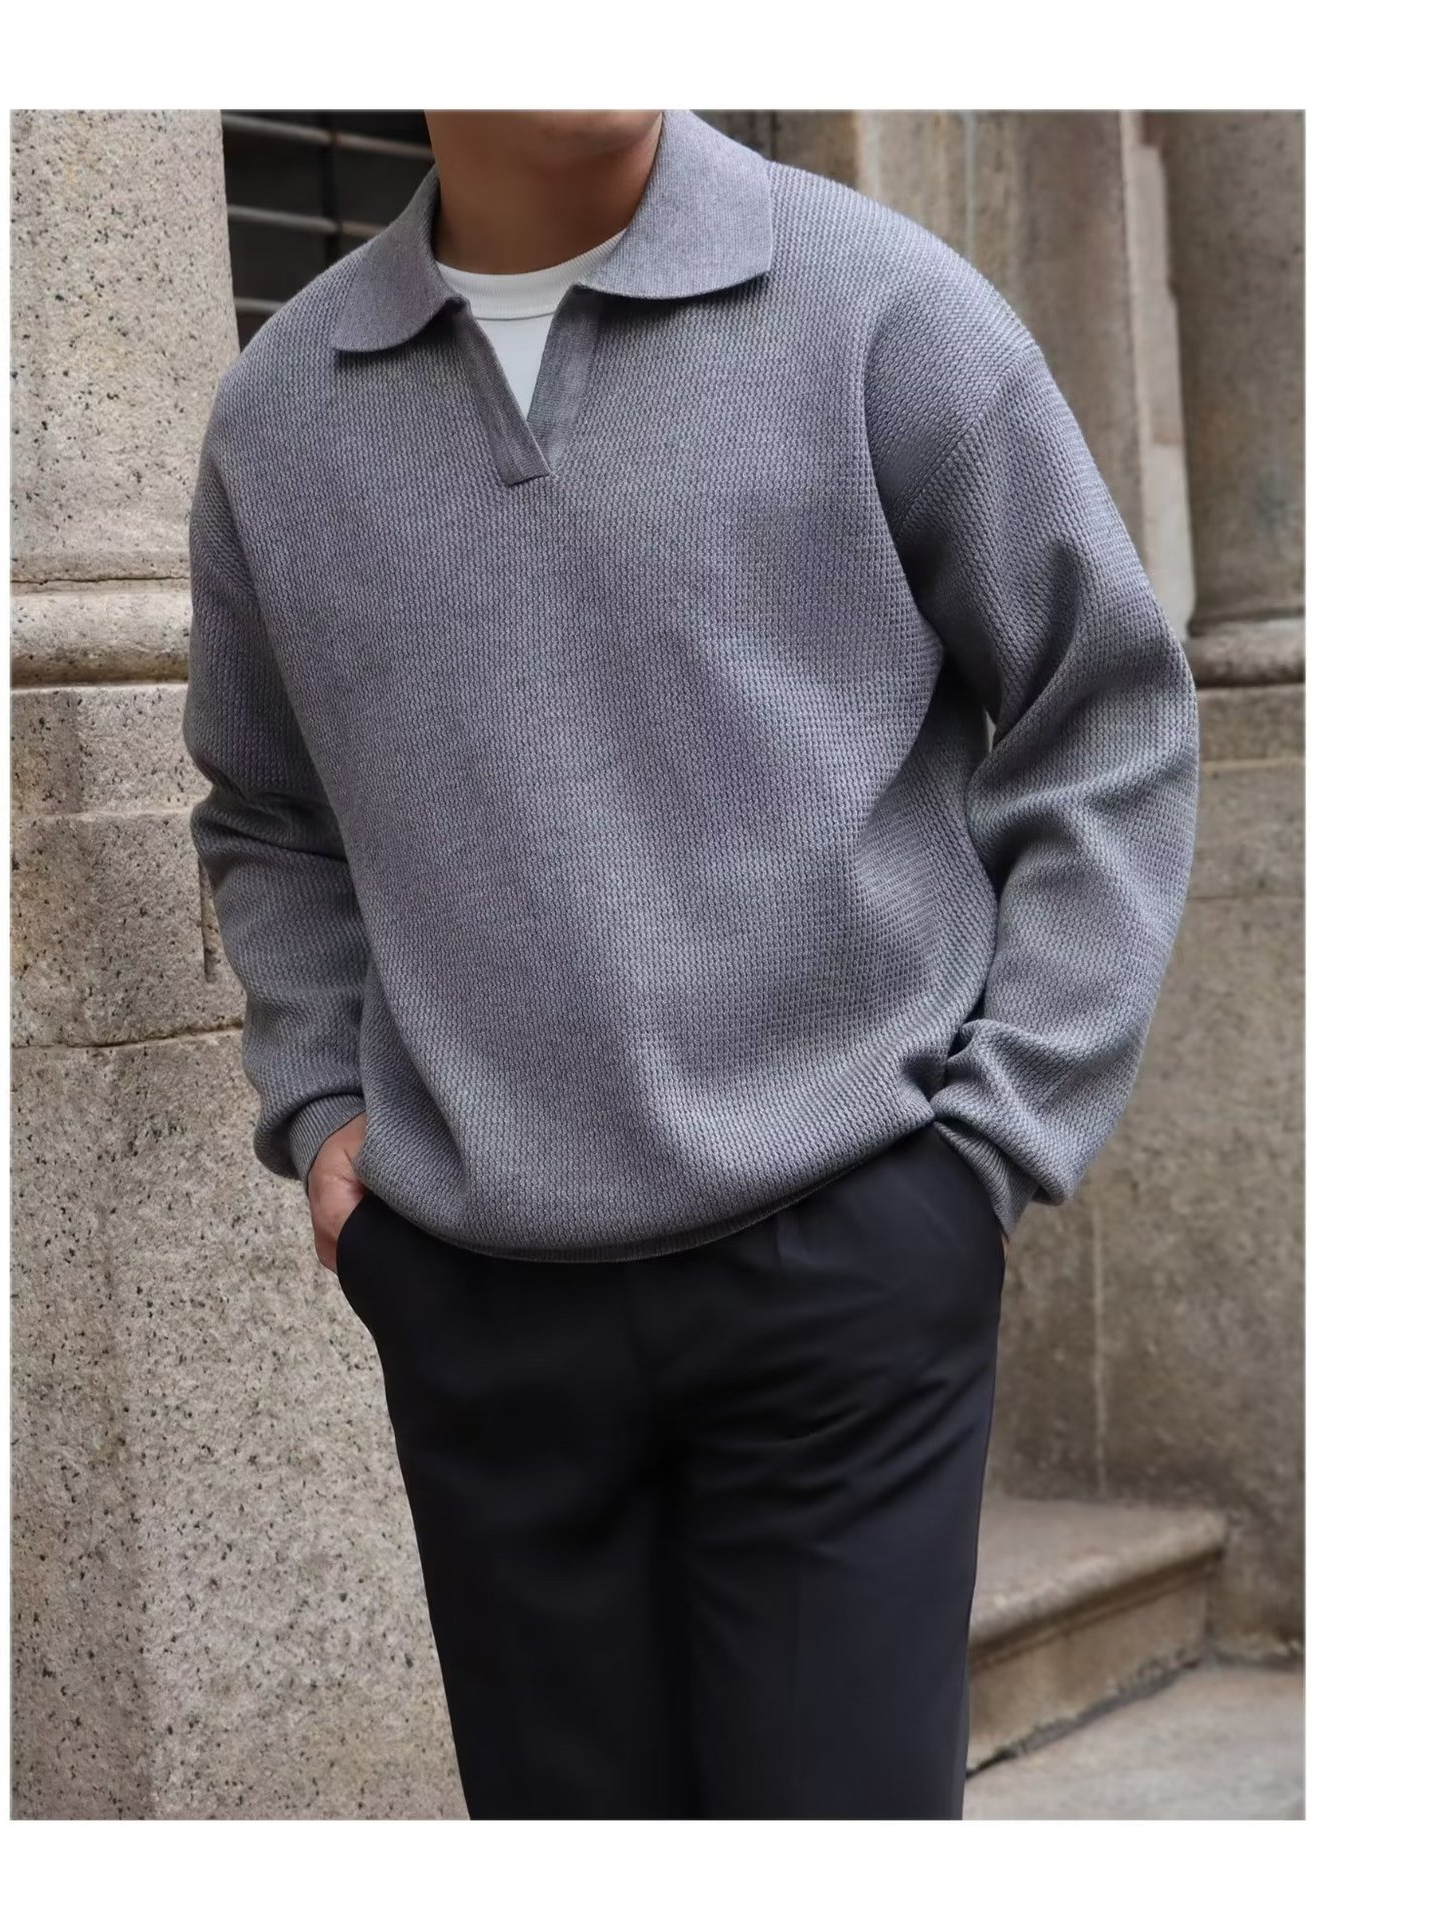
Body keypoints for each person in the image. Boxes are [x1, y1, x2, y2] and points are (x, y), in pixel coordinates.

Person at [182, 107, 1200, 1819]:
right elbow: (268, 811)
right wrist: (326, 1100)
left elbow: (1105, 710)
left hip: (845, 1261)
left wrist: (995, 1138)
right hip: (476, 1291)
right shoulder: (282, 412)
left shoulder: (883, 307)